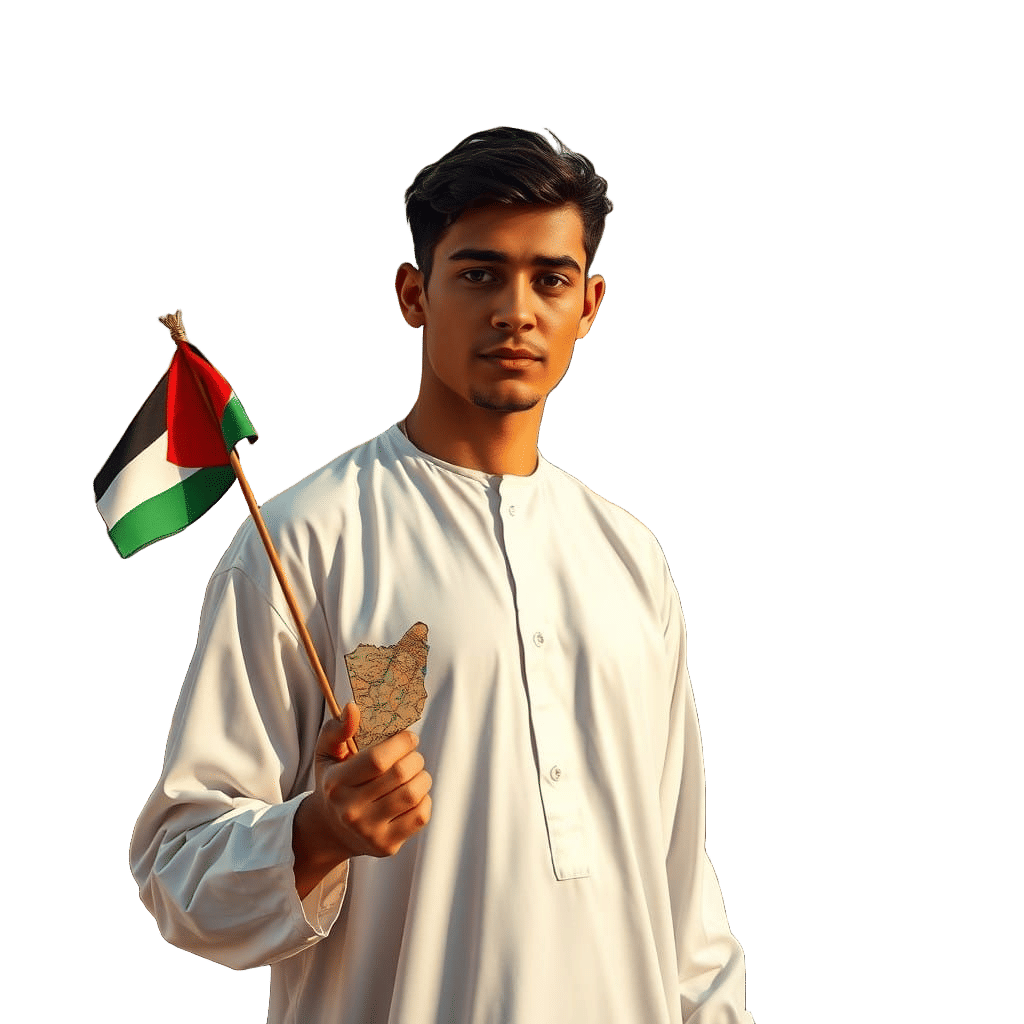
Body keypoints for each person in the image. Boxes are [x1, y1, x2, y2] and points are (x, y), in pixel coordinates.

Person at [131, 125, 755, 1023]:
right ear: (412, 293)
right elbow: (178, 872)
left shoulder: (631, 555)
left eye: (551, 279)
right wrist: (315, 832)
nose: (516, 311)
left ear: (590, 304)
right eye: (479, 274)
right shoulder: (307, 541)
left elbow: (683, 890)